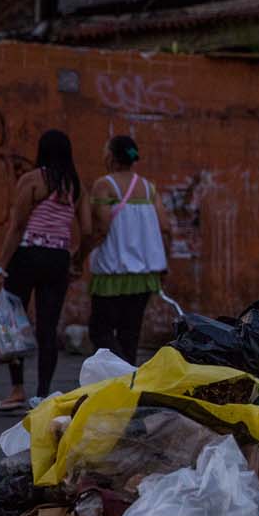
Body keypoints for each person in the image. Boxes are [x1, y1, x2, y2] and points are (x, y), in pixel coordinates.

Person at [0, 129, 91, 412]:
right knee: (47, 328)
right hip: (57, 259)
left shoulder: (33, 180)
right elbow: (88, 229)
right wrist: (76, 259)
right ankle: (42, 394)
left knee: (12, 324)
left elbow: (17, 226)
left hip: (28, 256)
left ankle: (17, 389)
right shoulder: (75, 185)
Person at [88, 135, 169, 364]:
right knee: (129, 334)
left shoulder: (104, 185)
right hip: (144, 274)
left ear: (111, 156)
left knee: (99, 331)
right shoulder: (149, 188)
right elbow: (166, 227)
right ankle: (128, 383)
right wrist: (164, 264)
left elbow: (100, 228)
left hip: (111, 271)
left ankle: (123, 373)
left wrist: (79, 256)